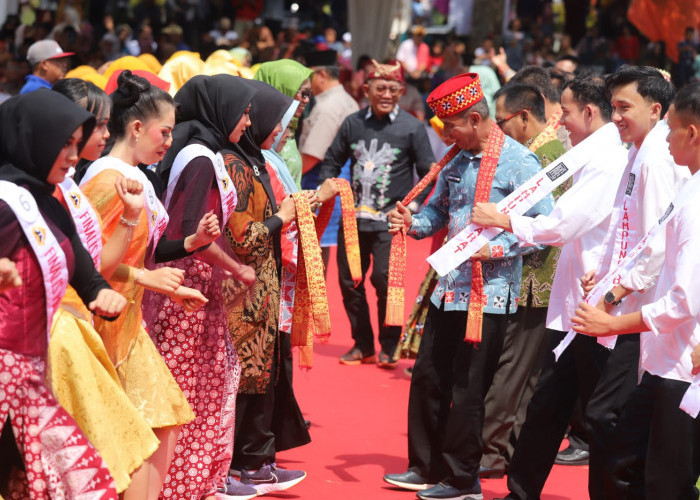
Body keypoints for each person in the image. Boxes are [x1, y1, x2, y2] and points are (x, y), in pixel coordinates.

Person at [495, 65, 688, 500]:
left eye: (624, 107)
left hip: (627, 313)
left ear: (657, 111)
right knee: (559, 402)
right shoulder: (634, 151)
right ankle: (521, 491)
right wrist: (603, 272)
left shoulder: (653, 158)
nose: (616, 115)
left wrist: (615, 288)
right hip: (595, 300)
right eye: (614, 106)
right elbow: (625, 230)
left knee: (609, 418)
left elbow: (653, 243)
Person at [383, 73, 553, 499]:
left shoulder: (520, 163)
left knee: (468, 388)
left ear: (476, 119)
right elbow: (437, 212)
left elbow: (543, 227)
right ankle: (426, 466)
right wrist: (412, 224)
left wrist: (494, 252)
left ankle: (463, 480)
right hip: (447, 287)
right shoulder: (456, 160)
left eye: (451, 127)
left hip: (489, 296)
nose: (445, 135)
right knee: (428, 376)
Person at [472, 73, 629, 499]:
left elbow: (563, 224)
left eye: (566, 110)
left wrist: (503, 220)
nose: (559, 119)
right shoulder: (589, 152)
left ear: (590, 112)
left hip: (597, 304)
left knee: (598, 414)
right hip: (577, 299)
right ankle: (521, 491)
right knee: (548, 402)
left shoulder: (609, 157)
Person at [79, 70, 215, 499]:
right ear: (136, 128)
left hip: (128, 319)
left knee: (159, 420)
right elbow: (89, 265)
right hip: (104, 324)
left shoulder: (132, 175)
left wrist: (187, 251)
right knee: (137, 431)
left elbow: (143, 254)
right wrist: (149, 279)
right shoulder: (107, 179)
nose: (169, 142)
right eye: (165, 131)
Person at [571, 81, 700, 499]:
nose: (666, 141)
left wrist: (613, 314)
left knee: (665, 479)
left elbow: (684, 298)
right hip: (663, 355)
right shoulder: (686, 186)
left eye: (672, 129)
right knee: (632, 463)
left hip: (681, 361)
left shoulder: (681, 187)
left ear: (692, 134)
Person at [0, 88, 124, 498]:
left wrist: (102, 294)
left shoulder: (49, 201)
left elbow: (84, 273)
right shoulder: (5, 203)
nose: (73, 155)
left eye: (76, 143)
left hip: (30, 371)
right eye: (64, 144)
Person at [51, 77, 163, 495]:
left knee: (117, 444)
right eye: (95, 125)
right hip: (55, 335)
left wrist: (133, 220)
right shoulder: (35, 192)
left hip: (81, 324)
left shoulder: (67, 187)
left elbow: (92, 265)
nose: (104, 133)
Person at [148, 74, 258, 499]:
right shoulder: (199, 158)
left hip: (193, 290)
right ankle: (181, 485)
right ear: (221, 109)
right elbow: (190, 236)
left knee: (209, 384)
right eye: (243, 111)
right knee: (190, 390)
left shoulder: (203, 151)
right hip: (186, 295)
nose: (247, 121)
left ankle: (197, 482)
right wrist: (238, 268)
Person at [221, 80, 308, 496]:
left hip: (262, 286)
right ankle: (239, 465)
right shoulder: (234, 163)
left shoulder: (253, 158)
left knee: (263, 376)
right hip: (242, 287)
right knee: (244, 379)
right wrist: (284, 217)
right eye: (253, 116)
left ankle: (255, 462)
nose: (271, 127)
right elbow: (243, 236)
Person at [318, 61, 436, 368]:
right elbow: (331, 161)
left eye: (392, 89)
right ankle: (362, 344)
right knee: (349, 282)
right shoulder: (353, 124)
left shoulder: (411, 128)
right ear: (366, 90)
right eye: (379, 88)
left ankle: (388, 344)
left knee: (385, 281)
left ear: (401, 91)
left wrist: (411, 208)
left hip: (389, 222)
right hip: (353, 220)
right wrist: (330, 188)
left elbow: (428, 174)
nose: (386, 94)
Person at [479, 82, 567, 478]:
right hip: (541, 278)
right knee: (525, 372)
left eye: (501, 121)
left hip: (532, 277)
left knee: (510, 370)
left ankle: (490, 452)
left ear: (525, 117)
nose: (497, 130)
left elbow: (547, 224)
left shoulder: (540, 157)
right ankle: (507, 448)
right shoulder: (552, 152)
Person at [253, 59, 314, 188]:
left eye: (309, 94)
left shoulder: (288, 131)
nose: (307, 100)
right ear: (282, 90)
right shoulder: (268, 137)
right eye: (303, 93)